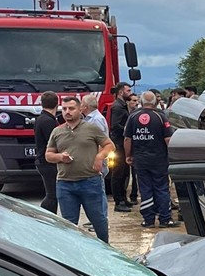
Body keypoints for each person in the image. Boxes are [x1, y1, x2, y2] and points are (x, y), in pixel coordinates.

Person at [45, 96, 114, 242]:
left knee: (98, 219)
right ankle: (73, 254)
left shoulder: (91, 128)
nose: (67, 112)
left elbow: (109, 145)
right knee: (69, 224)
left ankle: (105, 248)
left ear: (80, 109)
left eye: (71, 108)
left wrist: (99, 157)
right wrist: (60, 157)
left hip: (90, 181)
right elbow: (48, 155)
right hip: (65, 184)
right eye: (64, 109)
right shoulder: (57, 132)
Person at [124, 92, 177, 228]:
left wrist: (128, 155)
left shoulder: (133, 117)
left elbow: (127, 139)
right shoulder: (161, 117)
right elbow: (168, 139)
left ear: (141, 101)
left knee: (145, 188)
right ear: (155, 102)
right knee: (162, 188)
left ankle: (148, 220)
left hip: (140, 160)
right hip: (159, 160)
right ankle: (165, 219)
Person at [33, 91, 60, 214]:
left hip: (42, 160)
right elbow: (54, 141)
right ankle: (44, 217)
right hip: (47, 162)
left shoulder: (41, 118)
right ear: (57, 103)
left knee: (52, 194)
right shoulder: (48, 121)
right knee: (52, 195)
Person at [108, 81, 132, 212]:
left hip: (122, 142)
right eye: (128, 91)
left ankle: (123, 197)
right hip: (118, 143)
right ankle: (118, 200)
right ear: (121, 92)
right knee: (118, 173)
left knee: (124, 173)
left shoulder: (122, 106)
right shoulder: (117, 107)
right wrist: (128, 130)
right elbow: (115, 125)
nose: (130, 93)